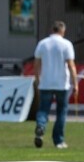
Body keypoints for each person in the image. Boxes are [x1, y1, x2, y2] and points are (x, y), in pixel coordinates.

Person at [33, 20, 78, 149]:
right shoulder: (66, 44)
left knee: (43, 109)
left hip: (46, 82)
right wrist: (75, 83)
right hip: (61, 84)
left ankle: (41, 127)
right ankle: (58, 140)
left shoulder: (42, 44)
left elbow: (36, 64)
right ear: (62, 31)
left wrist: (37, 78)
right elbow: (71, 65)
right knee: (61, 112)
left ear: (52, 30)